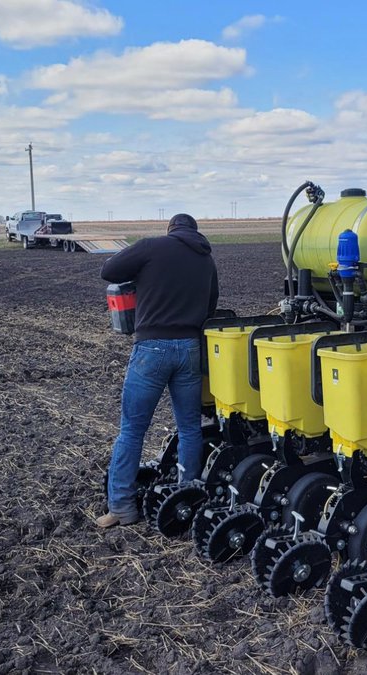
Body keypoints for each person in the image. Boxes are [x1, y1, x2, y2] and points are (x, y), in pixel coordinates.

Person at [95, 213, 219, 528]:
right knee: (189, 427)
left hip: (152, 350)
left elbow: (109, 271)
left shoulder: (153, 247)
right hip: (190, 349)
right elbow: (211, 305)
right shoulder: (206, 260)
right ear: (195, 232)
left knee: (132, 430)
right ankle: (186, 496)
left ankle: (122, 508)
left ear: (170, 229)